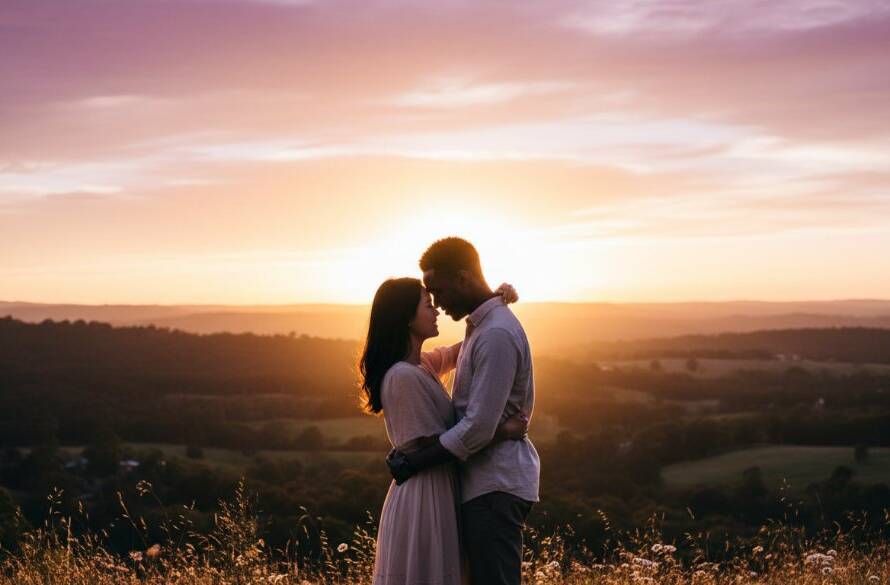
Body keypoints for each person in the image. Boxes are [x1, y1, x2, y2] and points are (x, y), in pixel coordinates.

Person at [387, 237, 540, 585]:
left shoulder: (495, 334)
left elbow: (476, 429)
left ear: (462, 278)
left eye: (438, 291)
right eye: (430, 298)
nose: (438, 304)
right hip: (483, 485)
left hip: (494, 485)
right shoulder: (481, 329)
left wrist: (414, 462)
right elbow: (444, 362)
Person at [359, 277, 525, 585]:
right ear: (408, 317)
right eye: (428, 305)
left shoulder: (420, 365)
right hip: (424, 495)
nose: (436, 311)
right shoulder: (402, 377)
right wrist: (502, 430)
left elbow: (465, 349)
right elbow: (424, 445)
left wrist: (493, 304)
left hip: (438, 488)